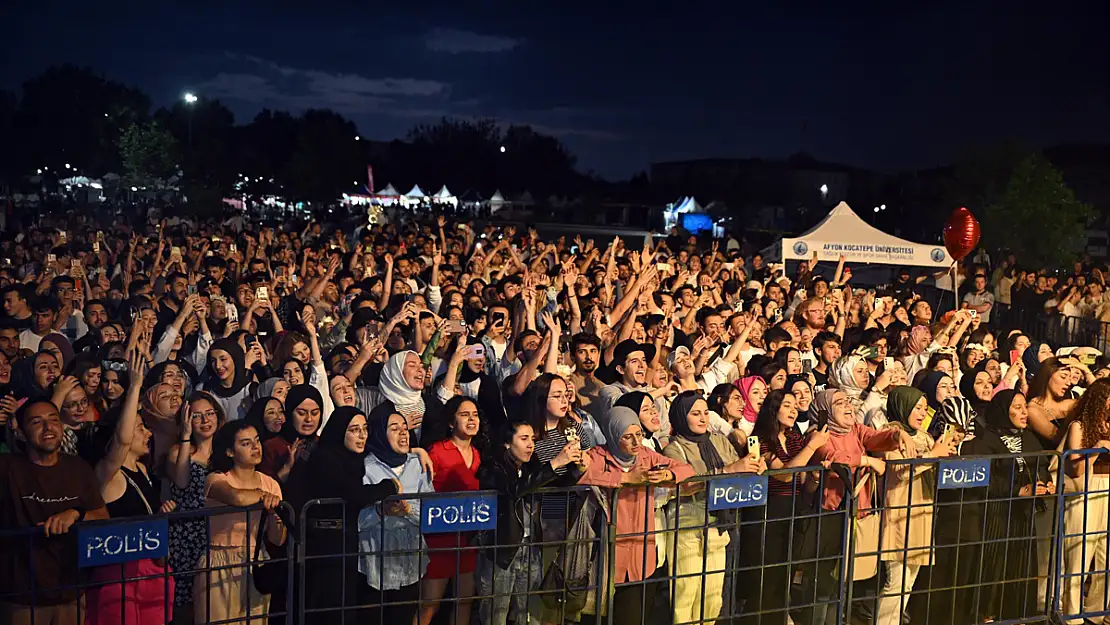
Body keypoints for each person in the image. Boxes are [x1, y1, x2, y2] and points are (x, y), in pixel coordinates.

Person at [576, 405, 694, 625]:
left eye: (639, 434)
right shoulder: (599, 456)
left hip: (641, 551)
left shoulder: (646, 456)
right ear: (612, 435)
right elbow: (582, 476)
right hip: (607, 553)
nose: (636, 442)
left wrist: (668, 474)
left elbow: (687, 470)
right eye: (627, 437)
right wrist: (625, 480)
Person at [0, 398, 110, 625]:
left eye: (53, 420)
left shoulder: (78, 467)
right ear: (20, 432)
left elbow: (102, 517)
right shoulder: (7, 467)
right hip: (21, 598)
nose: (48, 427)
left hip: (71, 593)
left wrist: (75, 514)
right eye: (36, 422)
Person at [87, 349, 176, 625]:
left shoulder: (142, 469)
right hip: (120, 577)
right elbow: (123, 440)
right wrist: (135, 385)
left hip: (153, 571)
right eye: (140, 427)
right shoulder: (106, 472)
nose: (147, 433)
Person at [289, 406, 398, 625]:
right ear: (340, 432)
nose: (362, 435)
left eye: (364, 429)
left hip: (344, 539)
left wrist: (418, 452)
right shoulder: (325, 458)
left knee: (344, 606)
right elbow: (354, 493)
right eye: (354, 430)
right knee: (327, 608)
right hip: (323, 544)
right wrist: (389, 486)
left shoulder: (351, 458)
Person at [664, 391, 761, 624]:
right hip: (687, 527)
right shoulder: (673, 449)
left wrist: (754, 466)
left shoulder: (718, 440)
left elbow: (738, 469)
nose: (703, 418)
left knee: (713, 596)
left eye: (706, 413)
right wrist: (728, 470)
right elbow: (685, 484)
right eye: (695, 414)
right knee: (685, 593)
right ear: (680, 417)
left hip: (718, 527)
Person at [476, 419, 584, 625]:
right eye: (524, 439)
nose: (530, 445)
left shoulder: (530, 466)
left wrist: (576, 469)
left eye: (532, 439)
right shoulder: (492, 468)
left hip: (530, 548)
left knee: (530, 613)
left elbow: (554, 487)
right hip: (502, 551)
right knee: (495, 614)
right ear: (507, 443)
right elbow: (514, 490)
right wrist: (556, 463)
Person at [961, 390, 1050, 622]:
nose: (1024, 413)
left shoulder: (1029, 438)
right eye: (1017, 407)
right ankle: (985, 614)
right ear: (1003, 410)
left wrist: (1043, 483)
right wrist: (1016, 491)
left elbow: (1040, 464)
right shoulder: (986, 439)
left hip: (1022, 513)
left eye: (1024, 407)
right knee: (994, 562)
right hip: (996, 513)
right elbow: (984, 477)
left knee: (1020, 563)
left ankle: (1017, 613)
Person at [875, 386, 957, 625]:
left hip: (923, 511)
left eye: (924, 408)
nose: (922, 413)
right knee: (896, 581)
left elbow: (931, 462)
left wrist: (945, 454)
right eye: (917, 407)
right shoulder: (891, 433)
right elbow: (901, 472)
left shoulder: (924, 436)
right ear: (903, 406)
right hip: (900, 513)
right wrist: (933, 455)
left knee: (909, 582)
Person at [194, 420, 286, 625]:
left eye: (257, 441)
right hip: (220, 559)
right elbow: (237, 498)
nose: (255, 447)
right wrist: (263, 497)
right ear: (229, 452)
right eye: (245, 443)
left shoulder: (270, 483)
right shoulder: (217, 479)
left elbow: (278, 539)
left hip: (256, 559)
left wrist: (273, 515)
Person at [357, 404, 432, 624]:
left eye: (405, 428)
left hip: (410, 565)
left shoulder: (418, 464)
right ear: (379, 433)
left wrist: (408, 510)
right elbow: (356, 518)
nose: (403, 433)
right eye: (394, 428)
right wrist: (381, 511)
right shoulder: (365, 467)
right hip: (374, 567)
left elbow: (431, 511)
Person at [420, 396, 485, 625]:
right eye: (464, 414)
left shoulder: (478, 454)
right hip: (439, 540)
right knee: (430, 605)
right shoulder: (437, 451)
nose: (471, 419)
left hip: (467, 540)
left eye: (475, 415)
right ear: (451, 422)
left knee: (465, 601)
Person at [166, 391, 225, 624]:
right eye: (197, 416)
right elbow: (181, 481)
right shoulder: (178, 452)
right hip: (187, 536)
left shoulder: (226, 452)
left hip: (217, 532)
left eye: (210, 413)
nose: (205, 420)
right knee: (189, 605)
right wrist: (185, 438)